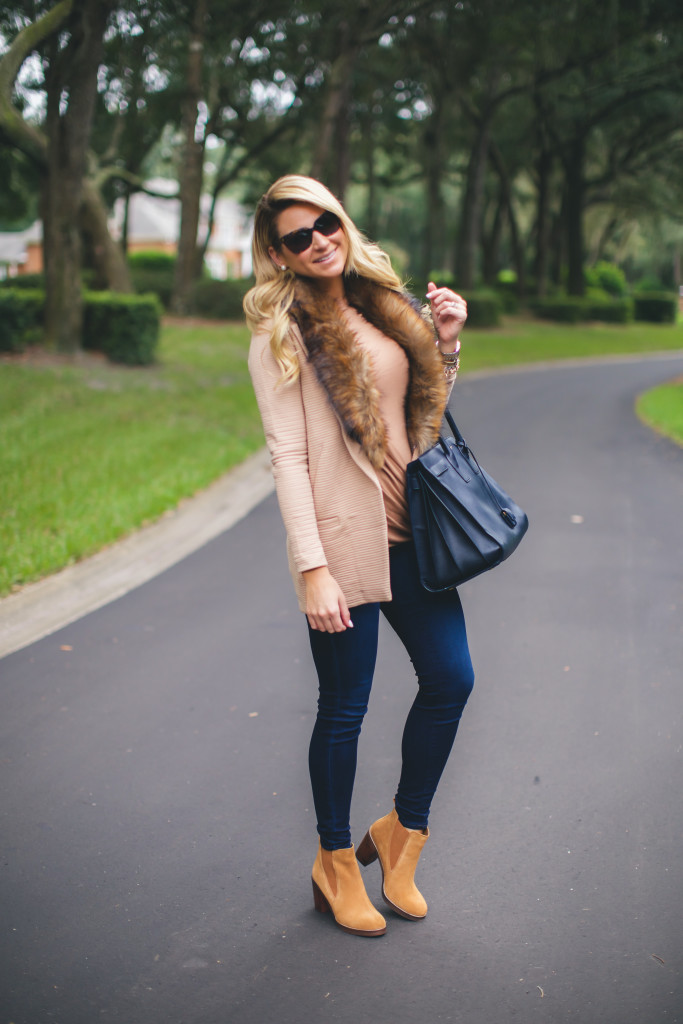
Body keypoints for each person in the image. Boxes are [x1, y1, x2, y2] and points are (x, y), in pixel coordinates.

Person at [244, 175, 475, 938]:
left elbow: (424, 416)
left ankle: (400, 839)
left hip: (412, 534)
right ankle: (336, 861)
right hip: (342, 546)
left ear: (341, 221)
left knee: (450, 679)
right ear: (276, 254)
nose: (317, 241)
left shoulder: (386, 305)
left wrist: (443, 343)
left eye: (324, 223)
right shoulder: (280, 332)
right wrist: (310, 568)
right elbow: (285, 457)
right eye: (297, 237)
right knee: (345, 708)